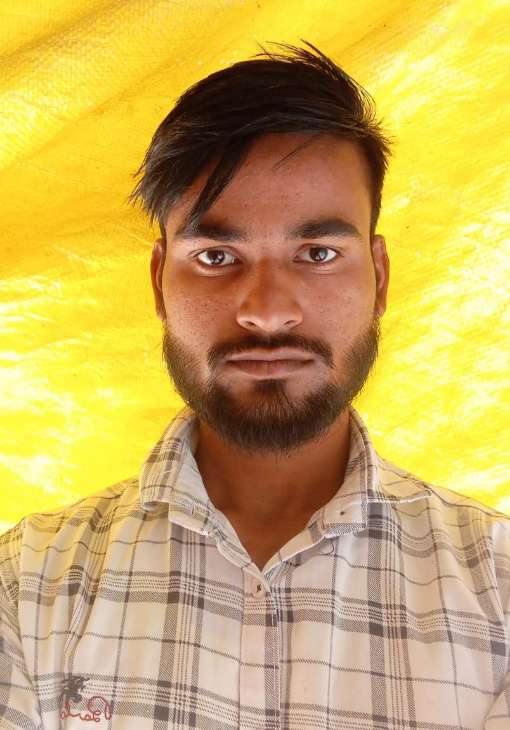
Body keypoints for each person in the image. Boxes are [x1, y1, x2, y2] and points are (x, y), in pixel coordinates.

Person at [0, 41, 508, 730]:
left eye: (318, 253)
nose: (267, 312)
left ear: (380, 279)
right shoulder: (25, 586)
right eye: (216, 256)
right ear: (159, 284)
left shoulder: (500, 588)